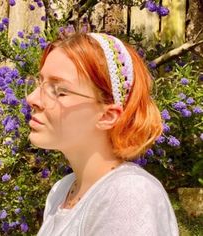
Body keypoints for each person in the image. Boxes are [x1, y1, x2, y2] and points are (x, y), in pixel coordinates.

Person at [26, 32, 179, 236]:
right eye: (40, 83)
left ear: (107, 115)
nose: (32, 98)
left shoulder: (128, 194)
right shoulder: (61, 191)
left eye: (60, 91)